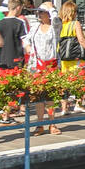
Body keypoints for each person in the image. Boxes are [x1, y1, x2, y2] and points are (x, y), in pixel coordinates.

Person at [23, 7, 60, 135]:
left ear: (48, 14)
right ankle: (39, 124)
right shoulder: (35, 27)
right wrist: (27, 47)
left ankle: (52, 124)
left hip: (51, 64)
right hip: (36, 65)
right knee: (38, 96)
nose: (39, 14)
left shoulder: (54, 28)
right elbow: (26, 39)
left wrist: (52, 8)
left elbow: (57, 21)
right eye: (38, 12)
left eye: (42, 12)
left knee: (50, 97)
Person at [0, 0, 26, 72]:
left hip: (2, 58)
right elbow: (25, 41)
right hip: (17, 57)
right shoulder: (20, 22)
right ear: (18, 7)